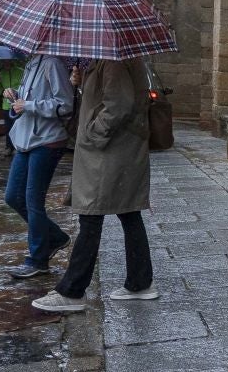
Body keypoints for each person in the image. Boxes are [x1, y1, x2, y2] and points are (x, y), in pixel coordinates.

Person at [30, 57, 156, 315]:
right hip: (118, 150)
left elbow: (118, 105)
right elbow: (103, 99)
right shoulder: (106, 59)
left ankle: (72, 290)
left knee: (90, 214)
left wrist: (92, 133)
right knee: (128, 212)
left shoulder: (113, 60)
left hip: (109, 152)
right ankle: (139, 282)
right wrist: (81, 84)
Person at [3, 52, 75, 279]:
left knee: (33, 201)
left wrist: (29, 105)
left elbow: (65, 104)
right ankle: (56, 237)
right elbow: (25, 104)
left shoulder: (53, 63)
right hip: (25, 140)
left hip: (47, 140)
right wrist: (15, 97)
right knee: (13, 197)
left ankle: (38, 260)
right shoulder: (31, 63)